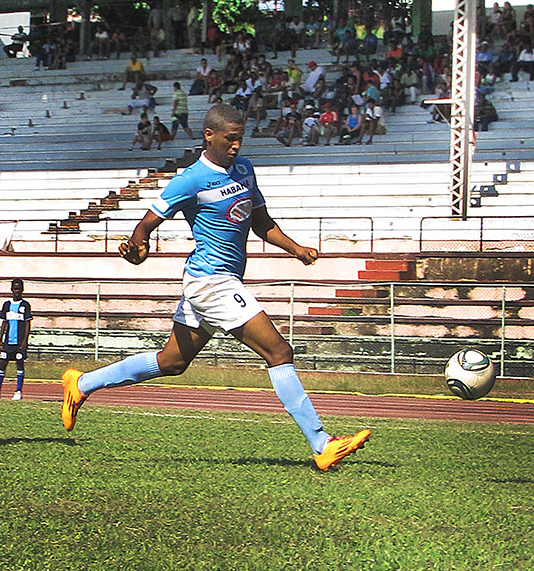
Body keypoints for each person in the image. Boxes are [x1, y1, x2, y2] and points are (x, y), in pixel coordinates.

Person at [59, 104, 370, 471]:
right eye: (230, 138)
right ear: (209, 135)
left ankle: (81, 384)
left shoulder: (245, 169)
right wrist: (135, 251)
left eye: (240, 138)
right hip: (211, 283)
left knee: (171, 362)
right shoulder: (190, 180)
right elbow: (143, 231)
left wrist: (295, 248)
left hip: (217, 281)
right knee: (279, 352)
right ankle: (322, 444)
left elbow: (261, 222)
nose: (237, 145)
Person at [0, 278, 32, 401]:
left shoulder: (25, 305)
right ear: (11, 289)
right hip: (8, 342)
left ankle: (18, 391)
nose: (17, 291)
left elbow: (28, 324)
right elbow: (4, 323)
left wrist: (24, 341)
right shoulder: (7, 305)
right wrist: (0, 340)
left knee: (19, 363)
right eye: (15, 289)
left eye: (19, 289)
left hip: (19, 342)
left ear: (22, 290)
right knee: (2, 363)